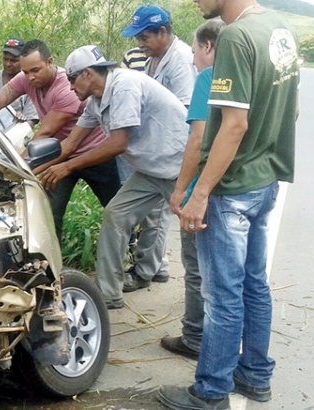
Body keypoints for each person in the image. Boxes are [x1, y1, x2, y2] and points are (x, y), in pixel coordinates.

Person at [158, 1, 300, 409]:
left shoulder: (235, 36)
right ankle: (254, 375)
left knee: (223, 296)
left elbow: (233, 125)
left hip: (232, 190)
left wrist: (198, 194)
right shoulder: (279, 27)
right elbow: (291, 108)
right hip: (264, 180)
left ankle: (211, 392)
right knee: (254, 285)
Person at [38, 45, 188, 309]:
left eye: (71, 79)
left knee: (195, 237)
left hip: (179, 165)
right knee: (116, 214)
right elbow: (70, 144)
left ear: (87, 73)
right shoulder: (95, 100)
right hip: (151, 169)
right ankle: (108, 294)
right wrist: (29, 169)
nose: (70, 86)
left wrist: (68, 168)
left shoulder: (124, 85)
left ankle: (210, 308)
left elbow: (118, 143)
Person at [0, 40, 122, 242]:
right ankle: (51, 265)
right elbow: (0, 98)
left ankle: (131, 250)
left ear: (50, 62)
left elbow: (44, 134)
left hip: (94, 155)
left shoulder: (67, 89)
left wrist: (13, 170)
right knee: (50, 213)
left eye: (35, 70)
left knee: (116, 210)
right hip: (58, 153)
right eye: (25, 72)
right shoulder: (27, 78)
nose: (30, 77)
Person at [120, 4, 199, 289]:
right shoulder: (156, 57)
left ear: (162, 32)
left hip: (176, 149)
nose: (140, 45)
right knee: (156, 213)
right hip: (161, 147)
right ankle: (156, 266)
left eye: (144, 38)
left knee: (159, 212)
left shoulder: (179, 60)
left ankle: (145, 272)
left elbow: (186, 113)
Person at [161, 18, 225, 362]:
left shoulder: (207, 79)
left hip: (205, 186)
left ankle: (195, 336)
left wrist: (181, 190)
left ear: (208, 47)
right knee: (233, 272)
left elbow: (198, 140)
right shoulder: (250, 75)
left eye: (195, 51)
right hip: (241, 186)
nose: (194, 60)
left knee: (197, 266)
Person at [0, 37, 38, 127]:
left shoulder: (30, 83)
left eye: (13, 61)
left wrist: (20, 120)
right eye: (5, 59)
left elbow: (31, 120)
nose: (8, 64)